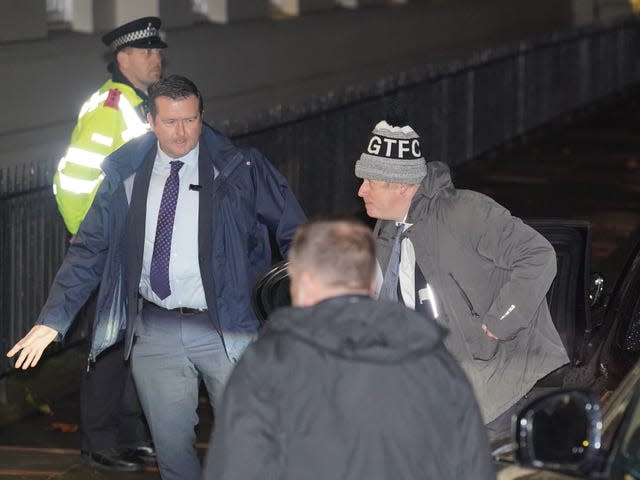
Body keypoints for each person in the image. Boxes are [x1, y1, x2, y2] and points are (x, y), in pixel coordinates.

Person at [7, 75, 306, 480]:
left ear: (202, 115)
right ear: (150, 120)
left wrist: (305, 303)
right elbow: (89, 249)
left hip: (230, 329)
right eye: (170, 122)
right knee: (172, 455)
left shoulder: (239, 167)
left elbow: (296, 232)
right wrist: (53, 319)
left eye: (191, 120)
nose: (182, 132)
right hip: (156, 331)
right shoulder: (126, 171)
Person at [203, 218, 495, 479]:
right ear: (370, 282)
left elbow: (234, 468)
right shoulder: (434, 360)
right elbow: (473, 467)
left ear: (303, 281)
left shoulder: (268, 363)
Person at [354, 120, 570, 440]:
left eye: (371, 181)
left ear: (401, 186)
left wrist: (499, 322)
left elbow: (538, 256)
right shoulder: (385, 230)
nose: (361, 190)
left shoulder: (466, 212)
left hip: (493, 388)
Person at [49, 17, 168, 471]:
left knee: (138, 341)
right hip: (114, 243)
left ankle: (130, 435)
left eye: (158, 51)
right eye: (146, 53)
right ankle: (99, 443)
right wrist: (87, 233)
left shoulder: (143, 104)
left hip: (142, 241)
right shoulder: (112, 107)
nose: (156, 58)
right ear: (124, 59)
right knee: (110, 345)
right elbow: (74, 177)